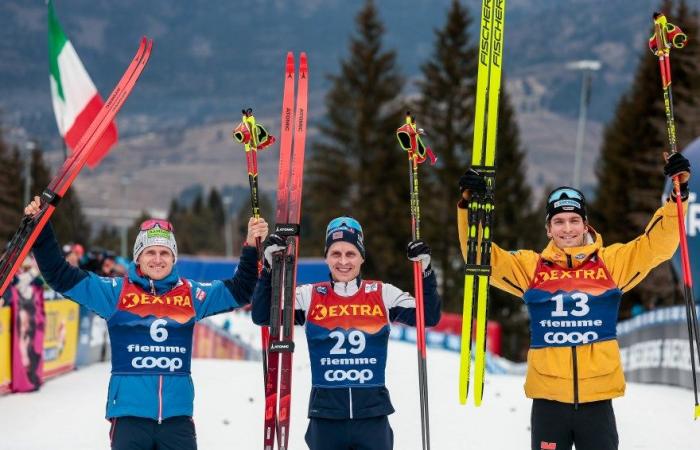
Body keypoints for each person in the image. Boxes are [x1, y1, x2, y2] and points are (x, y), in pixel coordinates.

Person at [457, 152, 691, 450]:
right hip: (549, 402)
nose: (567, 228)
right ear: (548, 228)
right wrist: (468, 207)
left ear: (585, 224)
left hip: (597, 401)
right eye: (559, 221)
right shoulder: (532, 268)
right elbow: (480, 257)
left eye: (573, 220)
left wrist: (677, 197)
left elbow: (656, 247)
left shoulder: (611, 263)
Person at [24, 195, 269, 450]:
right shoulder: (114, 293)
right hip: (130, 417)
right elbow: (60, 276)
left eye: (165, 253)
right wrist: (40, 229)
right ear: (138, 257)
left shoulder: (191, 294)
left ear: (174, 258)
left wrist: (251, 247)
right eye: (150, 252)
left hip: (177, 418)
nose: (157, 259)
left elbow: (240, 291)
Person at [252, 216, 441, 450]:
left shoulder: (383, 293)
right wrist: (268, 268)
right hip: (326, 417)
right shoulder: (310, 295)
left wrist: (425, 270)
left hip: (372, 417)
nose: (343, 261)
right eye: (336, 254)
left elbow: (429, 316)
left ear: (362, 256)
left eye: (350, 253)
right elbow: (262, 315)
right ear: (326, 258)